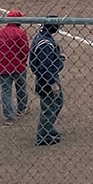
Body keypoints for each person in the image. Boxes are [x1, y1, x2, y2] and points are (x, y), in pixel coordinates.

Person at [29, 16, 65, 146]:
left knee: (58, 102)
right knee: (49, 107)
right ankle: (43, 136)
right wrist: (52, 83)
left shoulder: (43, 35)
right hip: (46, 79)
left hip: (47, 76)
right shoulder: (46, 44)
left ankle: (48, 128)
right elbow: (44, 66)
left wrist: (57, 57)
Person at [0, 10, 29, 124]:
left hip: (3, 67)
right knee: (21, 87)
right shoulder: (20, 33)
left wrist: (0, 60)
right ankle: (21, 108)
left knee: (5, 91)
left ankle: (9, 116)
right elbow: (25, 50)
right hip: (18, 66)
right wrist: (22, 61)